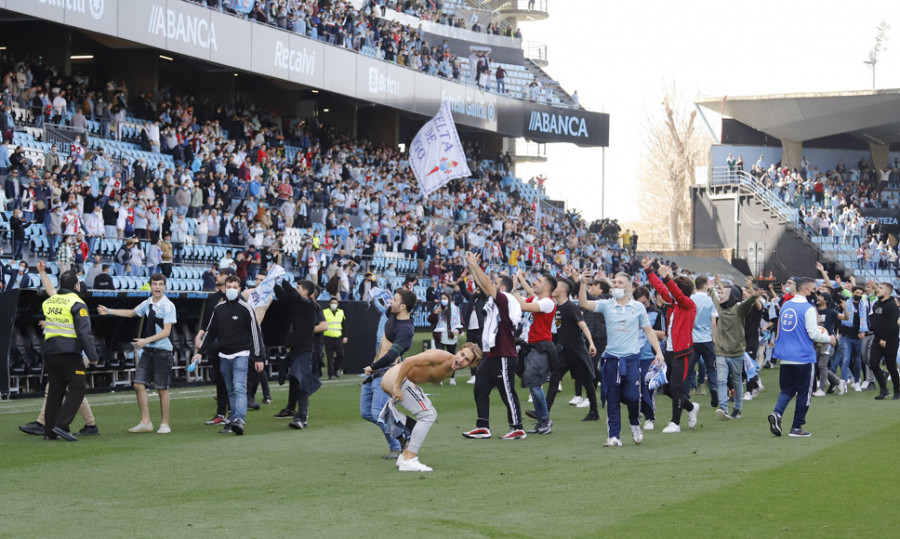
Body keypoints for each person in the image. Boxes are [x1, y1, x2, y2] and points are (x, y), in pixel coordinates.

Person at [578, 269, 664, 447]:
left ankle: (634, 424)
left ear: (629, 287)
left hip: (632, 359)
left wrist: (659, 352)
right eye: (614, 282)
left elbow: (648, 331)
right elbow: (584, 303)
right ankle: (614, 436)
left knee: (633, 397)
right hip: (611, 359)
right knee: (613, 398)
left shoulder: (638, 307)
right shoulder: (607, 304)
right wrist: (582, 284)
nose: (615, 285)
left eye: (619, 283)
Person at [382, 344, 483, 472]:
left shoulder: (449, 372)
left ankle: (405, 455)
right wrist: (396, 387)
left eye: (467, 360)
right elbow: (408, 361)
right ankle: (409, 458)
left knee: (429, 412)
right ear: (459, 351)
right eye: (462, 355)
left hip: (398, 381)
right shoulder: (441, 356)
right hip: (397, 379)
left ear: (470, 365)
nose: (461, 360)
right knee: (428, 414)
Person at [98, 273, 177, 434]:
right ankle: (146, 422)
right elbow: (131, 313)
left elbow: (166, 332)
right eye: (154, 284)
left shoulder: (168, 306)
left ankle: (165, 424)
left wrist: (145, 340)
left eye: (160, 284)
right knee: (138, 384)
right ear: (150, 286)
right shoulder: (147, 303)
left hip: (163, 351)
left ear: (165, 286)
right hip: (148, 350)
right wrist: (109, 311)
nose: (157, 287)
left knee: (162, 388)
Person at [461, 252, 527, 440]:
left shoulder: (506, 299)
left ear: (503, 287)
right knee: (480, 389)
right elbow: (483, 285)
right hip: (492, 354)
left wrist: (476, 264)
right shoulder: (496, 299)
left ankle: (517, 427)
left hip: (504, 354)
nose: (492, 285)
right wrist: (472, 267)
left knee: (507, 392)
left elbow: (487, 285)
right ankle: (483, 426)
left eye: (496, 283)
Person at [32, 263, 99, 441]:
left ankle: (49, 433)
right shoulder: (77, 303)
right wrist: (93, 357)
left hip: (50, 352)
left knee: (55, 391)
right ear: (76, 286)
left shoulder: (51, 301)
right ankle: (61, 425)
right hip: (69, 352)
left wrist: (42, 273)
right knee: (77, 389)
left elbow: (51, 291)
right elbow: (84, 334)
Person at [194, 275, 265, 435]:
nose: (231, 290)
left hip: (241, 353)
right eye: (229, 287)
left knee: (239, 387)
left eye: (235, 287)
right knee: (230, 389)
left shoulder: (246, 308)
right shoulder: (218, 309)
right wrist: (199, 353)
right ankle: (233, 420)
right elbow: (211, 332)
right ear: (223, 288)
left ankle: (239, 419)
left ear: (239, 289)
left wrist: (258, 357)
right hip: (224, 355)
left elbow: (255, 334)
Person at [768, 277, 834, 437]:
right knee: (805, 392)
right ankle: (797, 427)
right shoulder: (808, 308)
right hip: (803, 356)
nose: (815, 294)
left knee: (788, 389)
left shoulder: (785, 305)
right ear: (805, 290)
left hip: (785, 355)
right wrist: (829, 338)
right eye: (813, 290)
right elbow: (813, 333)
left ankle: (777, 413)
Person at [643, 257, 700, 434]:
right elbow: (661, 288)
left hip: (682, 352)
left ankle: (675, 422)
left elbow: (671, 290)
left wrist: (667, 277)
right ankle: (690, 407)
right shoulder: (674, 303)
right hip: (669, 351)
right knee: (666, 388)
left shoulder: (688, 304)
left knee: (676, 387)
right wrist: (649, 271)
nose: (668, 289)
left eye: (673, 286)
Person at [361, 287, 416, 459]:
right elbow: (387, 303)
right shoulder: (393, 314)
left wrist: (373, 366)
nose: (391, 301)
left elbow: (392, 355)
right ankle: (405, 430)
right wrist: (379, 292)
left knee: (378, 412)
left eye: (395, 299)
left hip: (386, 372)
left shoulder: (406, 330)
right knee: (366, 413)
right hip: (375, 372)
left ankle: (400, 440)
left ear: (403, 306)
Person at [273, 280, 328, 430]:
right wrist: (274, 284)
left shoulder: (310, 304)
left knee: (301, 380)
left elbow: (292, 296)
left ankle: (302, 417)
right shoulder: (298, 305)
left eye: (298, 288)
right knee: (295, 379)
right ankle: (296, 412)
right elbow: (284, 298)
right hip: (296, 348)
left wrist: (283, 281)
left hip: (305, 349)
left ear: (305, 292)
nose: (296, 290)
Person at [512, 270, 557, 434]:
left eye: (538, 280)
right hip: (533, 346)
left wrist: (514, 288)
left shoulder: (548, 302)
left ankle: (545, 420)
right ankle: (542, 420)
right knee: (533, 385)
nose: (535, 282)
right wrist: (521, 280)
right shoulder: (539, 299)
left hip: (542, 346)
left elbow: (524, 305)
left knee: (535, 385)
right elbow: (525, 299)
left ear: (547, 287)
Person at [548, 277, 599, 422]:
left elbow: (582, 326)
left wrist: (591, 343)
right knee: (554, 379)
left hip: (576, 351)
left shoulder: (571, 307)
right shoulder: (557, 307)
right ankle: (545, 412)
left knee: (587, 381)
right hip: (564, 351)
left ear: (563, 290)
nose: (553, 289)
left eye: (556, 287)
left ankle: (594, 411)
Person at [710, 277, 761, 420]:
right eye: (720, 294)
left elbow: (749, 302)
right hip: (721, 351)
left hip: (736, 352)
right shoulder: (720, 307)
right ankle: (724, 408)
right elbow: (714, 294)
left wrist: (755, 295)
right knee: (721, 380)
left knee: (737, 381)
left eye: (723, 294)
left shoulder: (739, 309)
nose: (720, 295)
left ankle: (737, 409)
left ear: (731, 296)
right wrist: (712, 286)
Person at [633, 286, 665, 430]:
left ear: (649, 299)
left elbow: (662, 335)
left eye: (645, 303)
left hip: (649, 356)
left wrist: (645, 328)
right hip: (633, 354)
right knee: (634, 387)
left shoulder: (657, 313)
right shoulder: (631, 313)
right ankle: (639, 413)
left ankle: (649, 417)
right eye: (640, 303)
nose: (643, 306)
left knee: (648, 387)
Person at [867, 282, 900, 400]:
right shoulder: (876, 303)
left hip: (890, 340)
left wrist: (884, 339)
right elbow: (873, 317)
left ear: (887, 292)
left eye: (880, 288)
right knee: (873, 363)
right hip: (877, 339)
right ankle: (884, 390)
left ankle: (897, 391)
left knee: (891, 366)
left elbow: (892, 324)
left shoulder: (892, 305)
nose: (878, 290)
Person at [690, 276, 718, 406]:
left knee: (689, 367)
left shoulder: (691, 299)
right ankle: (713, 388)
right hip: (707, 339)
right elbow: (713, 322)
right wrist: (714, 337)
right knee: (711, 367)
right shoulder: (709, 301)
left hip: (693, 339)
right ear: (706, 285)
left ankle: (686, 392)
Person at [427, 291, 462, 385]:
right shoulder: (437, 308)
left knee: (452, 357)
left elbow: (460, 322)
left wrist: (458, 330)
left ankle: (452, 378)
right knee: (439, 358)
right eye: (441, 299)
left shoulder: (455, 309)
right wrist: (435, 313)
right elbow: (430, 320)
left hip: (451, 335)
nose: (443, 300)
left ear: (449, 299)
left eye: (445, 298)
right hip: (440, 335)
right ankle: (439, 378)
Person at [323, 297, 348, 379]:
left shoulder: (341, 312)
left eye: (335, 303)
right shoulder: (324, 312)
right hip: (328, 337)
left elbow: (344, 325)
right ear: (329, 303)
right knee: (329, 356)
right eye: (332, 302)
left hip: (338, 337)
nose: (334, 304)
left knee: (341, 355)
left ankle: (335, 369)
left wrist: (345, 336)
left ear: (337, 304)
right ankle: (331, 374)